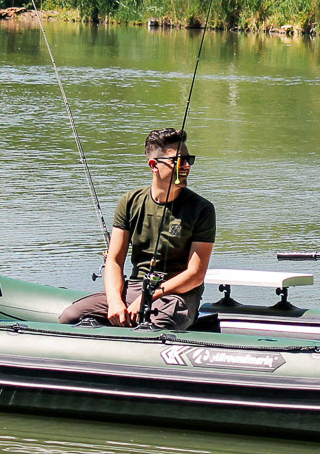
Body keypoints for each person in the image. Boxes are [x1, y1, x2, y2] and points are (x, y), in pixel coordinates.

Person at [59, 127, 215, 331]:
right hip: (134, 288)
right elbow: (114, 260)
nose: (186, 166)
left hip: (176, 294)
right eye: (178, 160)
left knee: (158, 326)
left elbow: (195, 274)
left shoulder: (202, 209)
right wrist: (115, 301)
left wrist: (149, 297)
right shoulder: (130, 201)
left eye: (189, 160)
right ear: (154, 165)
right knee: (70, 317)